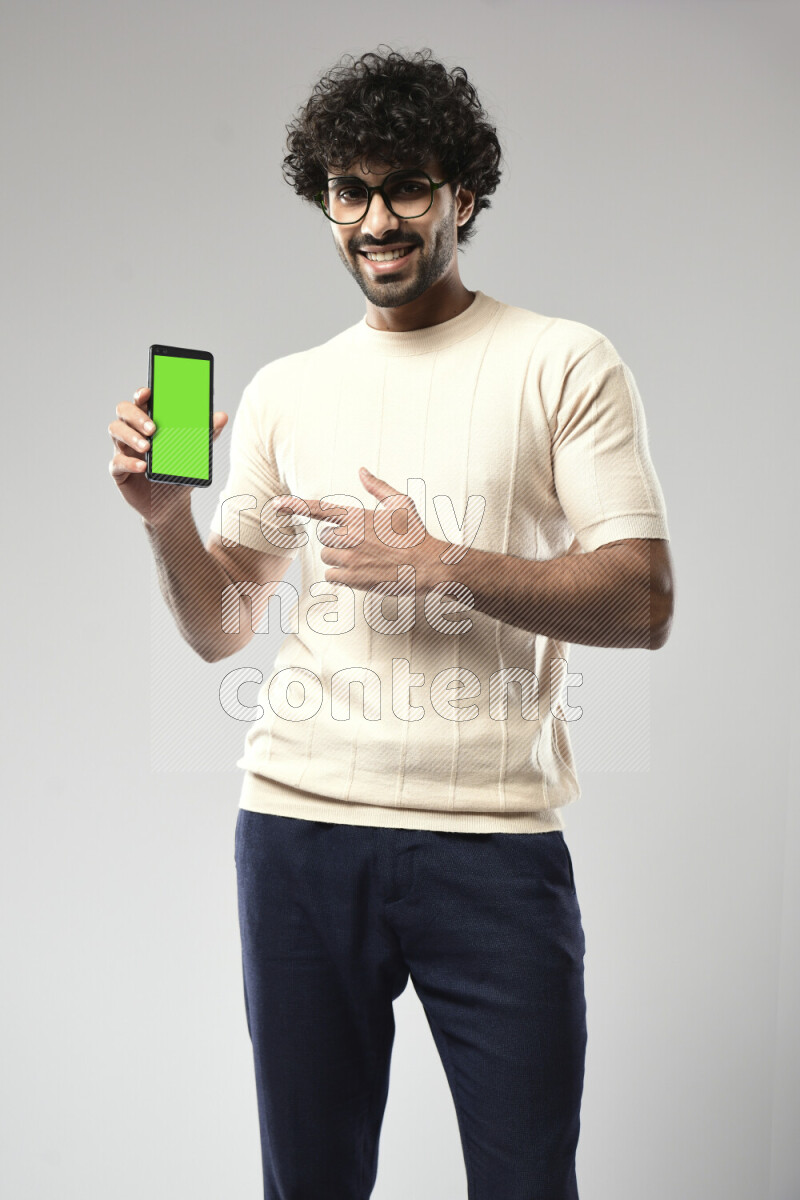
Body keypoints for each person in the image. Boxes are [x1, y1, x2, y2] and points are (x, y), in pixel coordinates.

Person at [108, 46, 674, 1200]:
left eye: (406, 187)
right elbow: (224, 624)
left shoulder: (561, 361)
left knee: (526, 1183)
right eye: (347, 191)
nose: (375, 220)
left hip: (494, 850)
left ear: (463, 194)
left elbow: (642, 596)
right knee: (308, 1183)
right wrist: (168, 517)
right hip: (298, 836)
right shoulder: (284, 389)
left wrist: (438, 565)